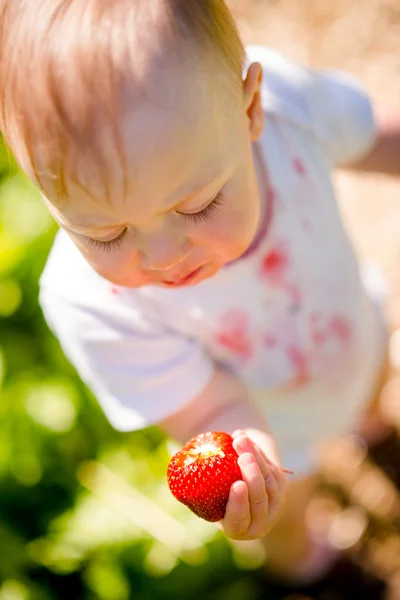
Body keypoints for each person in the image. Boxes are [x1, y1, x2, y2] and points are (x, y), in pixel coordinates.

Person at [1, 0, 399, 585]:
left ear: (250, 110)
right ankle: (307, 567)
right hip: (275, 426)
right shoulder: (89, 303)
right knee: (285, 511)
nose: (164, 258)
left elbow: (371, 132)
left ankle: (369, 425)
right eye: (102, 233)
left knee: (372, 383)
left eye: (198, 205)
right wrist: (251, 467)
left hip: (350, 332)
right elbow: (212, 409)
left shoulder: (290, 110)